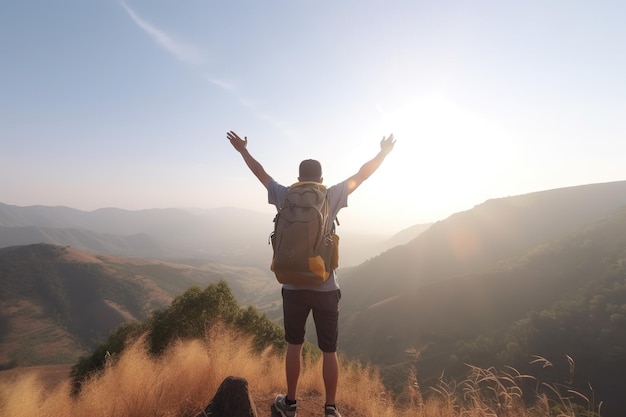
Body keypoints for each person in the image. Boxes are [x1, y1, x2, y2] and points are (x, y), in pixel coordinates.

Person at [227, 130, 395, 417]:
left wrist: (242, 150)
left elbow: (261, 173)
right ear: (320, 178)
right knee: (329, 350)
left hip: (292, 285)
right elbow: (362, 175)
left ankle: (290, 404)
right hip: (325, 285)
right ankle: (331, 409)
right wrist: (383, 153)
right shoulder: (330, 195)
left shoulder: (285, 195)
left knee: (295, 344)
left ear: (299, 176)